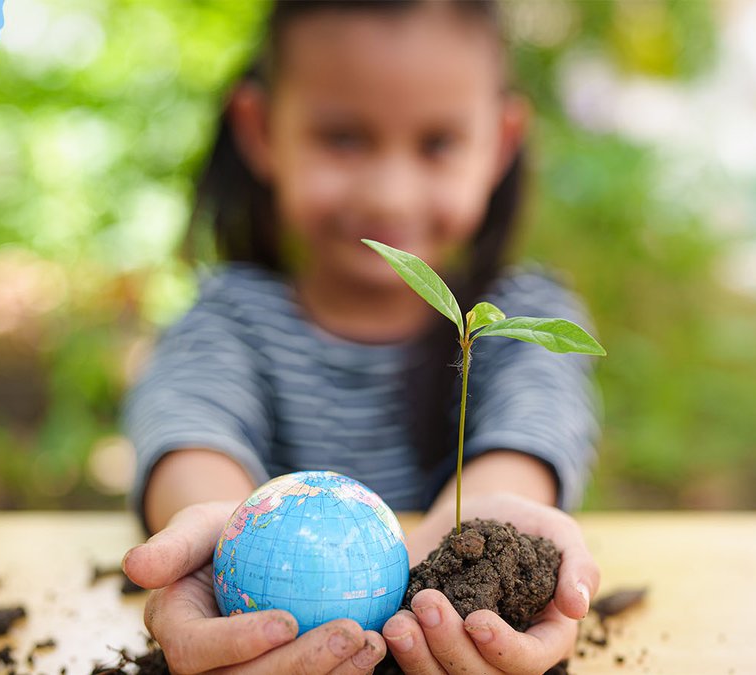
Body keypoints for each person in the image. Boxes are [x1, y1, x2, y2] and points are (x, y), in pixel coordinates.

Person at [120, 1, 602, 673]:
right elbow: (188, 429)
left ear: (501, 141)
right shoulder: (227, 321)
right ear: (260, 131)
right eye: (344, 138)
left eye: (437, 143)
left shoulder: (513, 316)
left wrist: (492, 530)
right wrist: (224, 527)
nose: (389, 194)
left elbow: (535, 429)